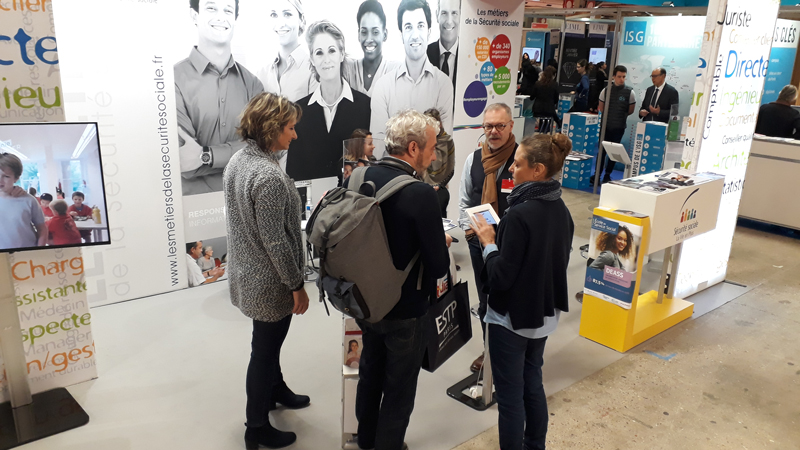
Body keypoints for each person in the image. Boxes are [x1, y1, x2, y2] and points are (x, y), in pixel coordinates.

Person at [343, 110, 450, 450]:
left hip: (365, 300)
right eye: (432, 148)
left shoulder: (358, 178)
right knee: (399, 389)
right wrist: (439, 242)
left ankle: (366, 440)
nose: (435, 155)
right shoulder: (421, 195)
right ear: (414, 147)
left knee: (370, 375)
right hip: (406, 309)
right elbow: (437, 266)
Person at [471, 133, 574, 450]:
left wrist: (489, 243)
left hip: (511, 320)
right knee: (533, 382)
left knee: (511, 397)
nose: (511, 170)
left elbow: (501, 277)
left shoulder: (518, 215)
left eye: (518, 164)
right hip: (542, 317)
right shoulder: (561, 210)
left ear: (538, 170)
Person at [223, 92, 311, 449]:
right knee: (264, 351)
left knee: (266, 347)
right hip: (269, 281)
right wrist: (296, 284)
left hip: (246, 273)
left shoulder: (238, 161)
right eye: (290, 128)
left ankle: (276, 390)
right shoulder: (268, 176)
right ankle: (255, 425)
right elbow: (276, 242)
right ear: (272, 128)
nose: (294, 135)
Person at [175, 0, 264, 196]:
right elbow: (185, 161)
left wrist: (206, 156)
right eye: (211, 8)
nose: (220, 17)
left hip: (245, 205)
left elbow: (263, 149)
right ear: (194, 15)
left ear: (235, 18)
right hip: (194, 210)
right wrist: (241, 153)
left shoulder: (253, 84)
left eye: (227, 10)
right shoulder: (172, 80)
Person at [458, 103, 518, 373]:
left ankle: (510, 353)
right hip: (478, 242)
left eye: (500, 126)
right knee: (485, 299)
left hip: (511, 245)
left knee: (511, 297)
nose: (494, 131)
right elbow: (464, 201)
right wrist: (471, 232)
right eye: (488, 126)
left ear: (511, 126)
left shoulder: (522, 159)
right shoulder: (473, 159)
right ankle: (489, 350)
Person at [285, 20, 371, 181]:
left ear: (341, 53)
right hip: (313, 205)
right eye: (319, 53)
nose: (326, 59)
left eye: (331, 51)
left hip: (355, 202)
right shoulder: (298, 111)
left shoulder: (366, 106)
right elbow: (293, 174)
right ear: (311, 58)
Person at [370, 0, 454, 142]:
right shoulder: (383, 87)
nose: (415, 35)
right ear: (401, 34)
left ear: (428, 31)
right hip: (391, 165)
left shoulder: (443, 84)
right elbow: (378, 145)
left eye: (420, 26)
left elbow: (443, 144)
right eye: (408, 27)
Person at [258, 0, 317, 102]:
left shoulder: (314, 69)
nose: (280, 24)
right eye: (274, 15)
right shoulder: (261, 73)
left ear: (301, 20)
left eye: (287, 14)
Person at [345, 0, 402, 96]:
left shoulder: (396, 70)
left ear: (385, 35)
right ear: (358, 35)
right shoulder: (348, 69)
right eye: (364, 32)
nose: (369, 39)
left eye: (375, 32)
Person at [594, 65, 636, 184]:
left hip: (619, 127)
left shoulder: (630, 92)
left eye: (624, 77)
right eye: (619, 76)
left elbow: (630, 110)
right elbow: (601, 108)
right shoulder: (605, 91)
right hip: (605, 127)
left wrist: (620, 117)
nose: (621, 79)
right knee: (601, 152)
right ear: (613, 77)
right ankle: (597, 175)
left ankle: (607, 174)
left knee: (613, 153)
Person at [0, 153, 47, 250]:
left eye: (6, 176)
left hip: (27, 253)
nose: (0, 180)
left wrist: (40, 251)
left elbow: (42, 229)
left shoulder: (28, 200)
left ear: (16, 178)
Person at [423, 108, 455, 218]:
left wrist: (439, 186)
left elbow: (451, 168)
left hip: (441, 190)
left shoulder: (447, 141)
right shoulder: (420, 143)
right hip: (422, 189)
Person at [426, 0, 460, 90]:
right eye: (444, 13)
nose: (449, 21)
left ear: (461, 16)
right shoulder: (425, 53)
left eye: (454, 13)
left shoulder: (470, 56)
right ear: (437, 15)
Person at [529, 66, 560, 130]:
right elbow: (556, 99)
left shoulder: (538, 84)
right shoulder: (555, 84)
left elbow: (532, 97)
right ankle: (548, 129)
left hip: (537, 110)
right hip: (549, 110)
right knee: (550, 113)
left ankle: (542, 130)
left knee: (545, 115)